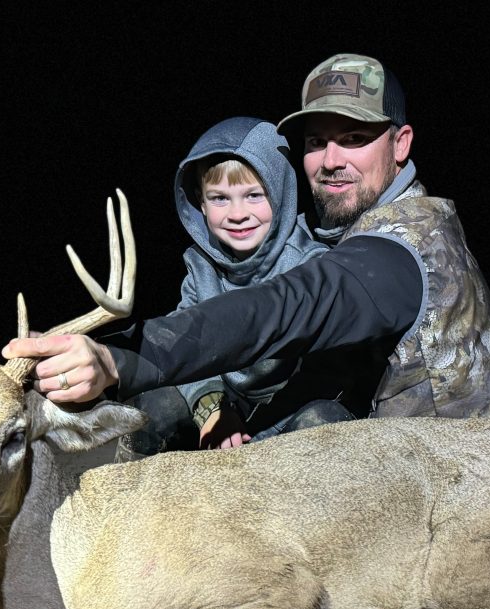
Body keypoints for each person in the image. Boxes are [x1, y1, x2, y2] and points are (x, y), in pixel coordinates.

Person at [4, 53, 490, 428]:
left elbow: (283, 307)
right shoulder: (410, 224)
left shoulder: (401, 248)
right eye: (316, 142)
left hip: (444, 505)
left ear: (400, 144)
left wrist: (119, 358)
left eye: (355, 139)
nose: (332, 161)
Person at [115, 116, 347, 459]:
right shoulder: (199, 266)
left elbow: (327, 373)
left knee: (324, 421)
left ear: (281, 191)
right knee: (152, 410)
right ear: (200, 202)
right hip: (227, 402)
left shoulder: (311, 264)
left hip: (292, 406)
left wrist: (259, 438)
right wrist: (212, 411)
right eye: (220, 198)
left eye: (254, 195)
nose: (237, 214)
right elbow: (185, 352)